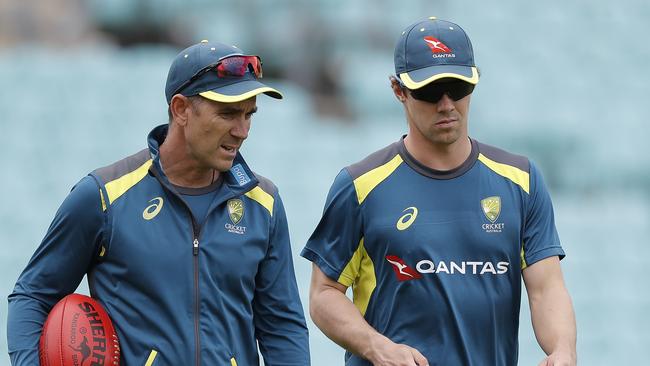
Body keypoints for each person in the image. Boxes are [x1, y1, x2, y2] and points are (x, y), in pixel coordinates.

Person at [7, 40, 310, 365]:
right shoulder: (103, 196)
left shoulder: (264, 204)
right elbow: (32, 297)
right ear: (181, 109)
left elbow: (282, 327)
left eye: (250, 114)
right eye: (228, 113)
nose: (243, 130)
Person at [301, 17, 576, 366]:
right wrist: (376, 346)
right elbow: (324, 294)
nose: (446, 104)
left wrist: (563, 351)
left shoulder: (521, 180)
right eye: (430, 91)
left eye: (457, 87)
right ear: (398, 90)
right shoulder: (359, 185)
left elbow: (546, 289)